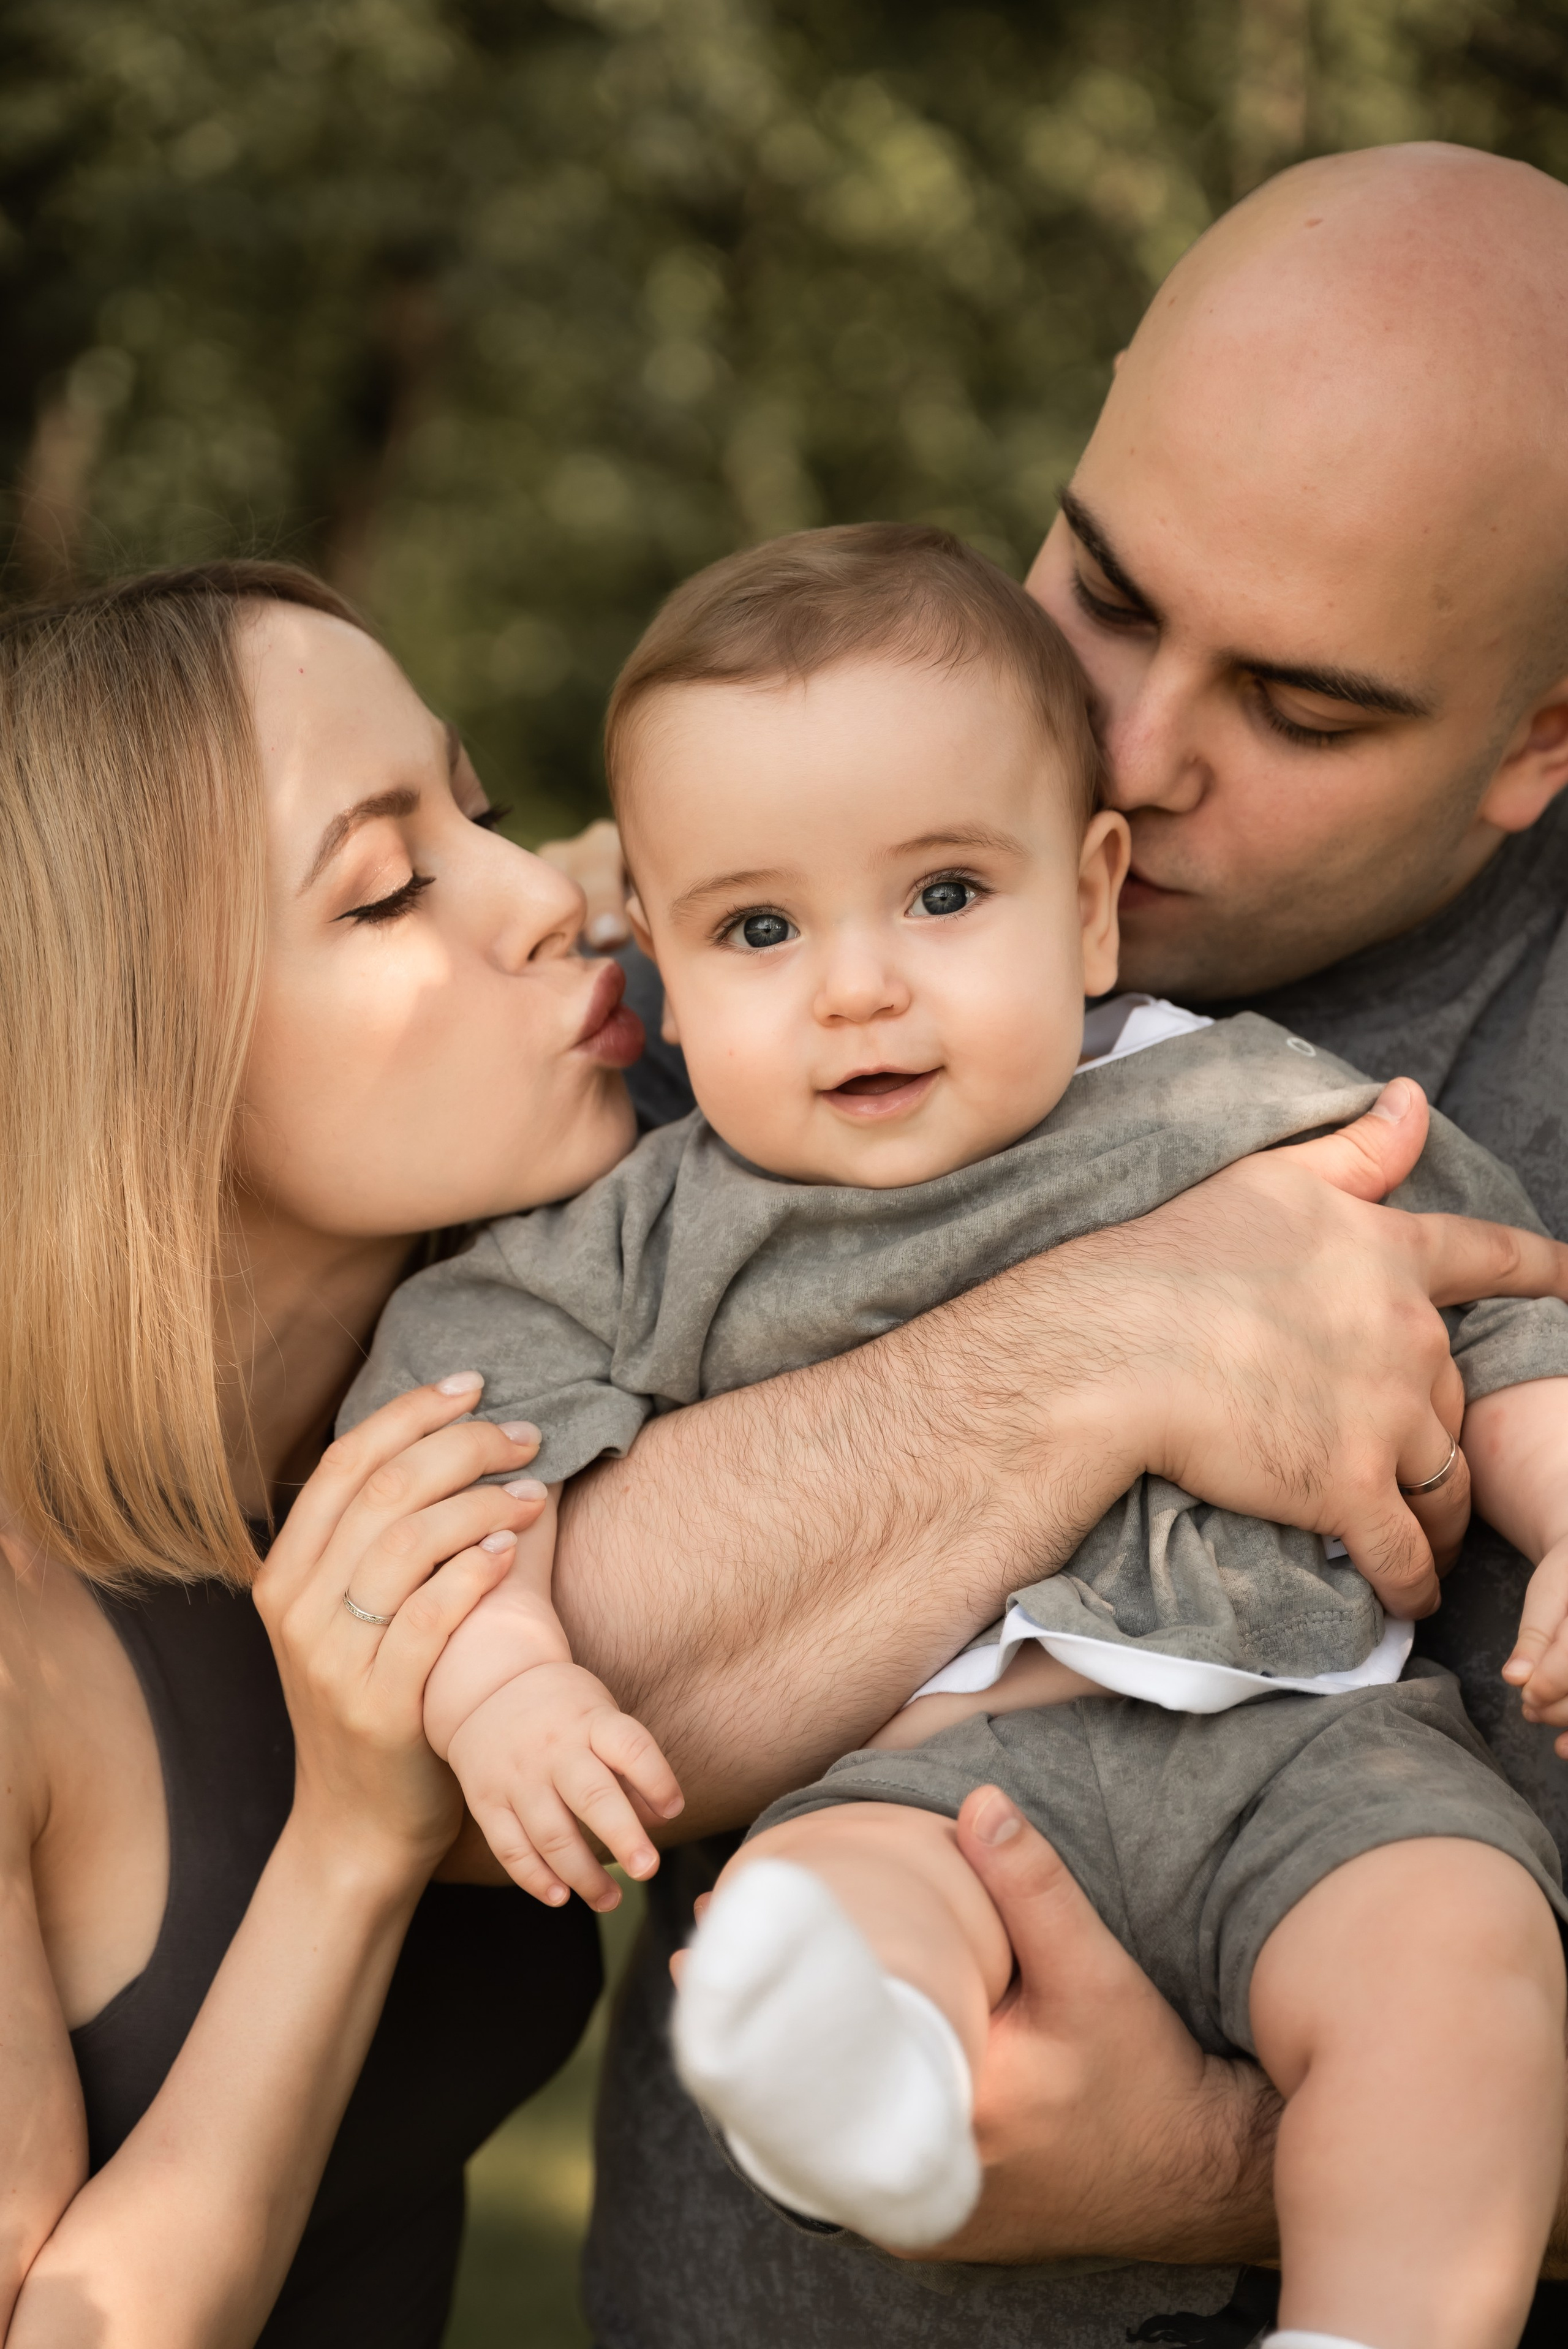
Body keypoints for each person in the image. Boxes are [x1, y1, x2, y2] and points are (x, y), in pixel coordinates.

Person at [520, 145, 1568, 2348]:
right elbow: (454, 1749)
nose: (1132, 748)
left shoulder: (1380, 1100)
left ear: (1540, 740)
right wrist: (1117, 1344)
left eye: (1302, 708)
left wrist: (1199, 2167)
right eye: (1103, 586)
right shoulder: (792, 881)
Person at [0, 559, 644, 2347]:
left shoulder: (477, 1372)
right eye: (386, 888)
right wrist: (353, 1843)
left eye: (480, 813)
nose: (540, 895)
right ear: (141, 1058)